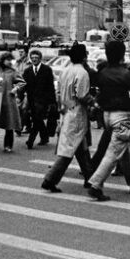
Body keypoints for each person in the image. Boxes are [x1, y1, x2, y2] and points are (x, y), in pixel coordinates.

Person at [87, 41, 130, 201]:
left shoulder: (103, 72)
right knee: (114, 152)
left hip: (106, 115)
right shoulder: (125, 73)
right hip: (122, 116)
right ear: (122, 54)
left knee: (123, 150)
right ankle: (96, 185)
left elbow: (97, 89)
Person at [41, 43, 94, 193]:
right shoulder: (82, 72)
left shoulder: (65, 71)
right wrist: (94, 103)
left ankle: (90, 178)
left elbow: (59, 92)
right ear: (84, 57)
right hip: (77, 112)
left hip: (66, 111)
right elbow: (82, 95)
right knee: (70, 148)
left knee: (81, 147)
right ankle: (50, 179)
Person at [22, 49, 56, 148]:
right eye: (32, 58)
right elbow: (24, 85)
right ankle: (45, 137)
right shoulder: (27, 71)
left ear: (40, 59)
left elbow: (51, 86)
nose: (34, 60)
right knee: (38, 119)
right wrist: (20, 97)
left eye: (36, 58)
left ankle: (30, 141)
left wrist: (52, 102)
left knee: (37, 119)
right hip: (31, 99)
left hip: (43, 100)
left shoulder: (47, 70)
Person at [13, 45, 32, 136]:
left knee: (24, 108)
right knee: (18, 108)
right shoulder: (17, 63)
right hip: (18, 88)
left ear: (26, 53)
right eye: (19, 52)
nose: (20, 53)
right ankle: (27, 126)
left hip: (28, 88)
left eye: (22, 52)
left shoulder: (30, 63)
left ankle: (19, 127)